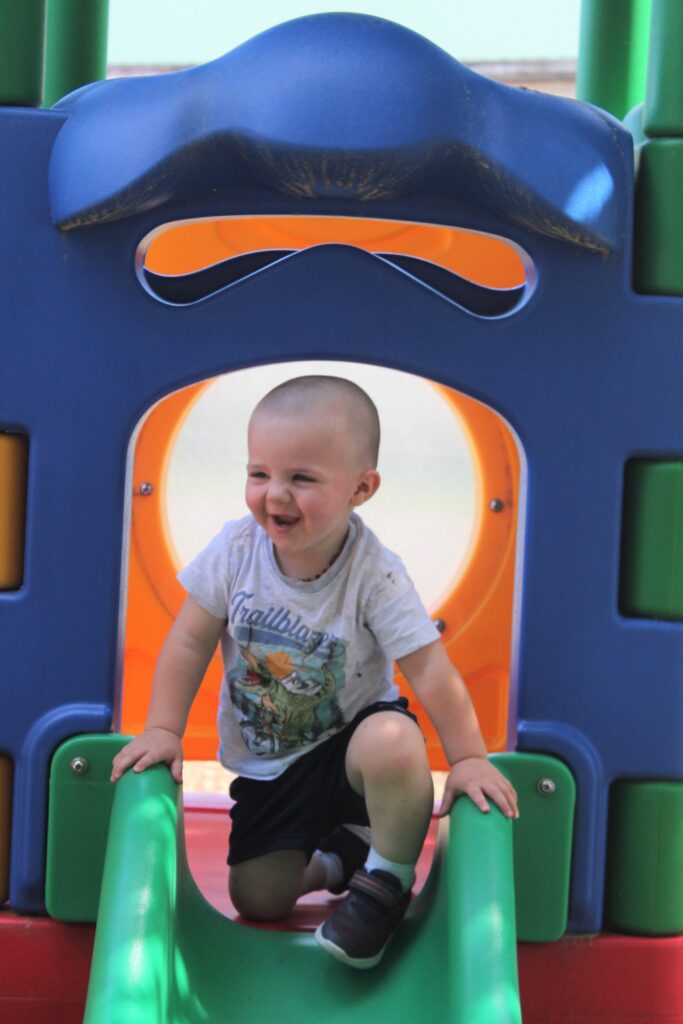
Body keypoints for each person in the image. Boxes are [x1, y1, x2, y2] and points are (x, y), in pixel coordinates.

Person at [111, 374, 518, 969]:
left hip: (353, 752)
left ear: (362, 487)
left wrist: (469, 758)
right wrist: (164, 729)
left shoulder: (375, 574)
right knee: (260, 899)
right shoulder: (233, 553)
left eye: (302, 478)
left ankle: (385, 880)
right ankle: (343, 857)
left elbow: (430, 669)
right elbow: (187, 641)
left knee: (394, 740)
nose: (275, 494)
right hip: (272, 765)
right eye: (259, 474)